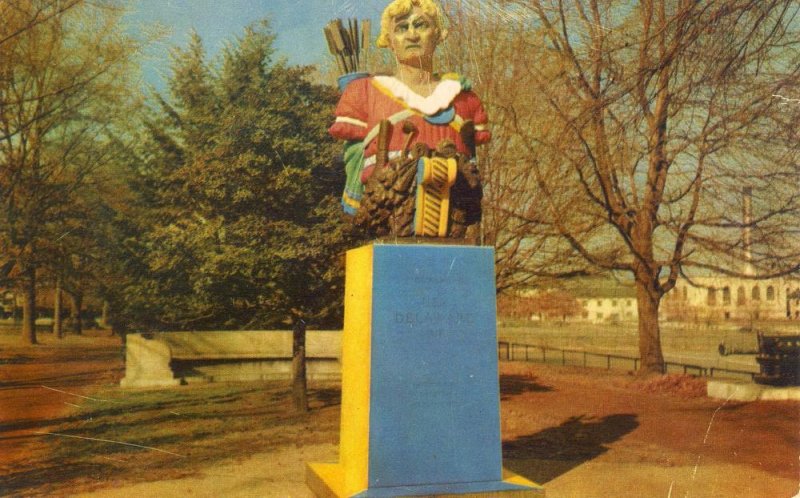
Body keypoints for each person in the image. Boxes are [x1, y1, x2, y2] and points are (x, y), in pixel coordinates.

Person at [329, 0, 490, 239]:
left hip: (454, 222)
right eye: (402, 28)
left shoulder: (465, 100)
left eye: (421, 25)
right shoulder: (364, 93)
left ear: (438, 34)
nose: (412, 34)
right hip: (387, 219)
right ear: (389, 41)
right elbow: (354, 161)